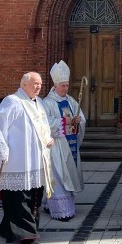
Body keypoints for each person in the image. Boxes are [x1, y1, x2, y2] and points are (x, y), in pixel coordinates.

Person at [0, 72, 53, 244]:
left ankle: (8, 229)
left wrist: (48, 138)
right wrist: (0, 150)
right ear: (24, 84)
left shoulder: (38, 103)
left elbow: (43, 126)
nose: (38, 87)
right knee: (19, 199)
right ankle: (26, 238)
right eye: (35, 83)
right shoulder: (12, 101)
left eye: (40, 84)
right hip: (17, 161)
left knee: (33, 197)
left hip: (36, 160)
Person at [42, 60, 85, 221]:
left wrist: (78, 120)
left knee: (68, 173)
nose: (65, 89)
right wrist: (64, 121)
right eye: (63, 86)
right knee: (59, 176)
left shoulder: (71, 100)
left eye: (67, 86)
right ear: (55, 85)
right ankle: (61, 210)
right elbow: (45, 123)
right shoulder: (48, 102)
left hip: (70, 144)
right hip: (57, 146)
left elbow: (80, 117)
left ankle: (50, 204)